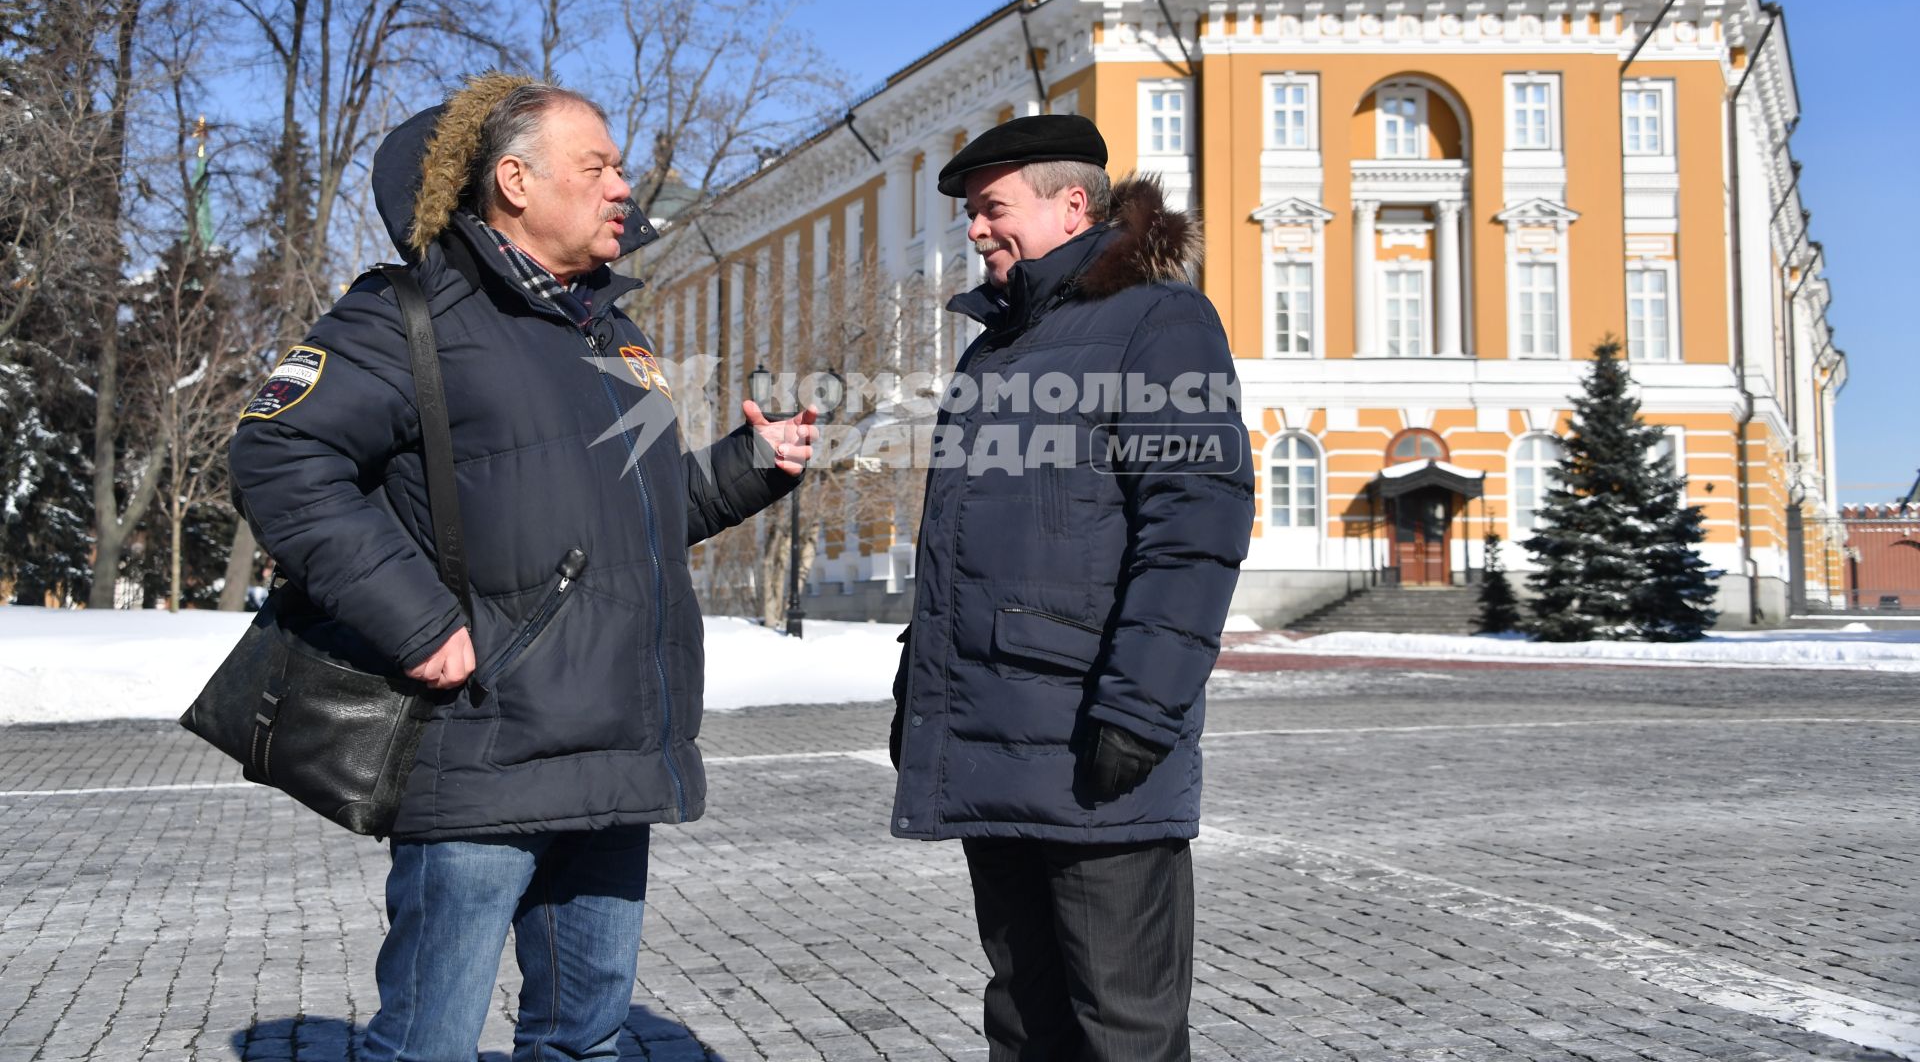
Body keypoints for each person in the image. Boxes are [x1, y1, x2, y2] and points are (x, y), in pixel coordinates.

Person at [230, 72, 816, 1061]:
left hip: (615, 752)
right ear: (514, 180)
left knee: (585, 1039)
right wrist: (415, 621)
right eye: (599, 166)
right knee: (429, 1044)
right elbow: (278, 454)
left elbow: (639, 511)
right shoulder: (407, 314)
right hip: (481, 756)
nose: (623, 186)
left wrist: (748, 466)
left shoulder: (611, 334)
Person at [889, 114, 1255, 1062]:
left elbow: (1195, 529)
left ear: (1073, 204)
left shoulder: (1161, 322)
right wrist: (916, 691)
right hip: (993, 739)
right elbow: (966, 548)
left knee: (1121, 1030)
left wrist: (1140, 709)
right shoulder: (995, 351)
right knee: (1022, 1019)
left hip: (1099, 751)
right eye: (973, 214)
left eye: (990, 208)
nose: (974, 229)